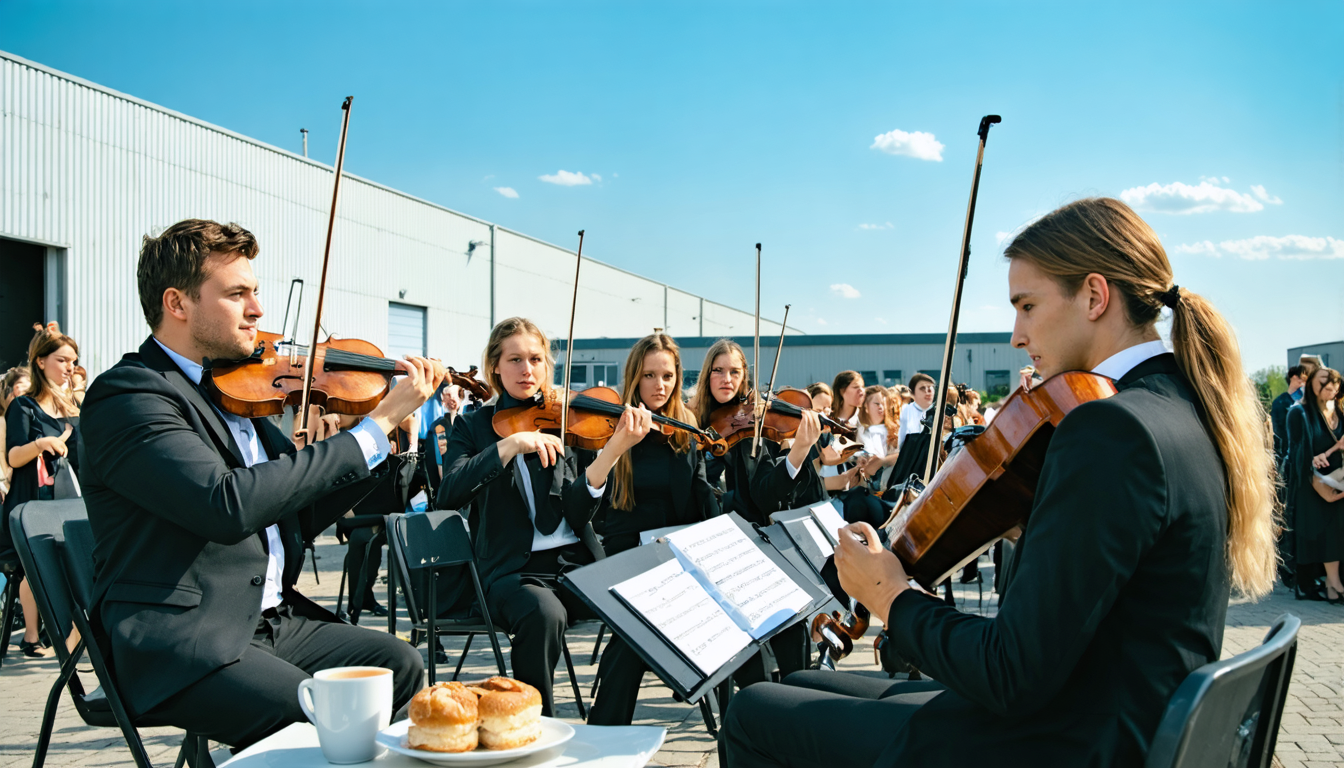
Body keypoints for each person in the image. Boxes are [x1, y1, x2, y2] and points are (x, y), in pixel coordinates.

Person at [720, 197, 1279, 767]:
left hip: (1071, 742)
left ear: (1094, 296)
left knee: (755, 712)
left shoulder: (1111, 429)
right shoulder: (1182, 405)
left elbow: (1010, 672)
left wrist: (891, 596)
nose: (1016, 335)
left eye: (1028, 306)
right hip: (1114, 713)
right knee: (811, 685)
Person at [80, 219, 436, 749]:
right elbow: (225, 504)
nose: (258, 310)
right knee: (326, 712)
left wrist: (387, 442)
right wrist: (370, 429)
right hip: (183, 638)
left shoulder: (235, 390)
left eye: (256, 292)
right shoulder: (130, 395)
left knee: (399, 664)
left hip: (268, 622)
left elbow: (294, 512)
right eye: (237, 294)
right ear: (177, 303)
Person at [436, 316, 648, 717]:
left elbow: (577, 509)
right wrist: (511, 444)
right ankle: (539, 729)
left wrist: (613, 450)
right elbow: (449, 492)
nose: (526, 369)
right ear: (495, 366)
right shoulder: (473, 426)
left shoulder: (565, 417)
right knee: (544, 614)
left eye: (535, 358)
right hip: (512, 571)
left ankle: (605, 727)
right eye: (514, 359)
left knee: (639, 607)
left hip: (575, 564)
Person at [587, 333, 721, 725]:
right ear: (634, 377)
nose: (659, 386)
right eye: (649, 375)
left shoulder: (687, 424)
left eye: (667, 375)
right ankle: (604, 739)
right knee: (632, 641)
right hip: (630, 554)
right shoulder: (616, 425)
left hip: (680, 554)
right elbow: (607, 513)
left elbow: (698, 492)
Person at [4, 323, 83, 659]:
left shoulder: (73, 407)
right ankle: (33, 636)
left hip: (69, 501)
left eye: (73, 360)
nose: (70, 367)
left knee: (79, 565)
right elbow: (14, 455)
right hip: (33, 503)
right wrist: (42, 442)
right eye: (62, 359)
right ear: (40, 362)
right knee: (38, 567)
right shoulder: (24, 406)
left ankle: (73, 642)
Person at [1285, 367, 1344, 603]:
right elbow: (1295, 453)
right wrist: (1311, 464)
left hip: (1339, 479)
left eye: (1335, 383)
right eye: (1324, 382)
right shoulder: (1299, 413)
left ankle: (1333, 583)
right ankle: (1330, 585)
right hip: (1313, 486)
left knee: (1337, 532)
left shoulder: (1339, 410)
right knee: (1325, 533)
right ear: (1311, 385)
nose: (1330, 386)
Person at [1272, 364, 1308, 588]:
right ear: (1295, 378)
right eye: (1304, 378)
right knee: (1287, 515)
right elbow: (1282, 436)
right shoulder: (1282, 404)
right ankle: (1286, 566)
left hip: (1300, 465)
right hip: (1287, 465)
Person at [896, 372, 935, 450]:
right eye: (923, 388)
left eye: (930, 387)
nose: (928, 392)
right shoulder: (905, 411)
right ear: (912, 393)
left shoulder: (940, 411)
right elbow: (901, 442)